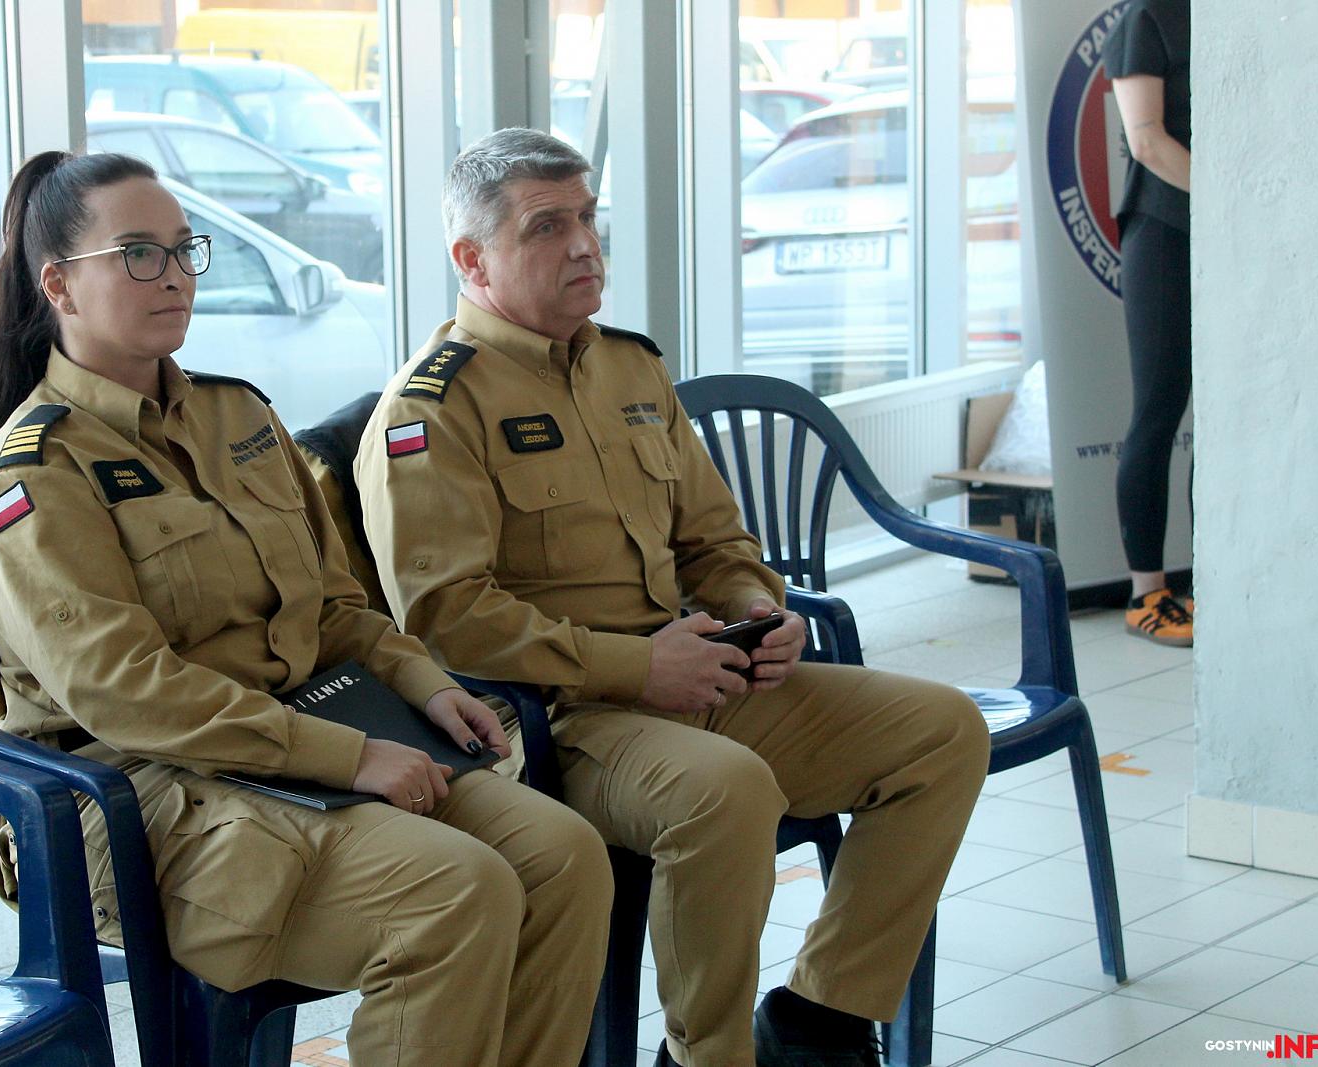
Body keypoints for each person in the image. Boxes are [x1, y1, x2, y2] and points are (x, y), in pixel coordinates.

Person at [0, 150, 611, 1067]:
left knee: (565, 856)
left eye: (184, 249)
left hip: (302, 745)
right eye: (139, 253)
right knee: (453, 893)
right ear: (58, 284)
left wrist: (424, 685)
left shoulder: (237, 418)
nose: (174, 275)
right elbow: (128, 693)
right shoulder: (33, 476)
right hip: (148, 794)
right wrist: (351, 756)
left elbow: (333, 604)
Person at [355, 128, 990, 1067]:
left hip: (697, 676)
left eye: (588, 217)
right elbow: (448, 619)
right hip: (559, 721)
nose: (584, 244)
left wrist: (757, 609)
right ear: (471, 259)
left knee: (942, 730)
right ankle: (705, 1054)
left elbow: (715, 540)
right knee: (724, 792)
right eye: (547, 227)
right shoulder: (429, 410)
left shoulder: (630, 366)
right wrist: (638, 666)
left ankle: (818, 1020)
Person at [1105, 0, 1194, 646]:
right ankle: (1148, 592)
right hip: (1164, 234)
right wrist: (1233, 197)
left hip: (1221, 231)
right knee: (1158, 410)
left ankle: (1217, 574)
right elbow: (1147, 140)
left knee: (1221, 418)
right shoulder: (1146, 17)